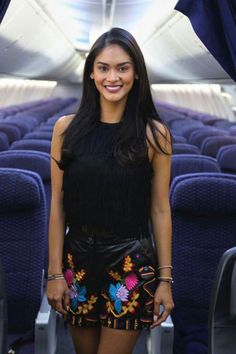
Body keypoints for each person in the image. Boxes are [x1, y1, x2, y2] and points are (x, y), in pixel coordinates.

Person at [47, 27, 174, 354]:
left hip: (131, 261)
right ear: (91, 73)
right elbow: (58, 207)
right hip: (78, 260)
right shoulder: (65, 130)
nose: (112, 77)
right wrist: (54, 274)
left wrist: (165, 280)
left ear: (136, 74)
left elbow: (160, 209)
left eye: (122, 68)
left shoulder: (154, 135)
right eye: (103, 67)